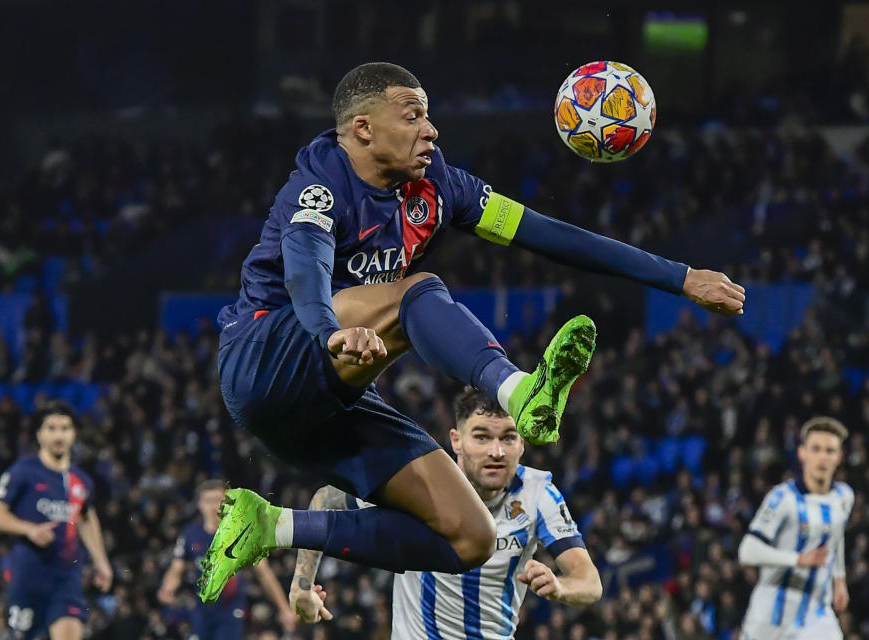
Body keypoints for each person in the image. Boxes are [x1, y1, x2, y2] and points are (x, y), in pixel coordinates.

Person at [198, 61, 745, 603]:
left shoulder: (440, 188)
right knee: (417, 289)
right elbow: (305, 273)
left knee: (471, 537)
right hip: (266, 360)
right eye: (412, 116)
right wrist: (327, 331)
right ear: (363, 128)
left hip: (327, 401)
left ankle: (268, 526)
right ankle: (516, 390)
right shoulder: (318, 185)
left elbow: (548, 234)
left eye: (429, 116)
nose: (430, 130)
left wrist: (679, 277)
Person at [289, 387, 602, 638]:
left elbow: (589, 581)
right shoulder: (421, 485)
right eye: (481, 437)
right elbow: (327, 499)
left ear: (522, 443)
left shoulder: (537, 493)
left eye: (508, 437)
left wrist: (561, 587)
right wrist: (302, 585)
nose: (496, 451)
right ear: (457, 441)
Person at [0, 401, 113, 640]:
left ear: (74, 434)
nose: (58, 435)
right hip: (28, 575)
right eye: (51, 428)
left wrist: (101, 561)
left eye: (65, 428)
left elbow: (86, 517)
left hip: (67, 578)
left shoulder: (81, 481)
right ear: (39, 434)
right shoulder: (23, 471)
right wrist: (29, 529)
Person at [738, 417, 853, 640]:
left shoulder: (844, 497)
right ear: (802, 453)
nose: (822, 457)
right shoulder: (782, 499)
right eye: (816, 449)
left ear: (839, 457)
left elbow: (835, 537)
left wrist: (839, 579)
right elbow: (747, 551)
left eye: (830, 451)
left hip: (816, 616)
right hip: (771, 617)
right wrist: (798, 559)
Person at [157, 480, 296, 640]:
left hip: (231, 613)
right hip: (201, 612)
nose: (214, 506)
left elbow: (264, 574)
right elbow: (176, 568)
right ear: (200, 505)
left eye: (218, 500)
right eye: (208, 501)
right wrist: (168, 587)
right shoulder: (190, 534)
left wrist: (284, 608)